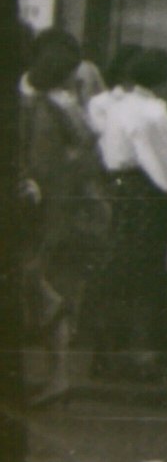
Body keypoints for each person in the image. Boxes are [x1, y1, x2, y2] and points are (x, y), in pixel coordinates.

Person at [87, 47, 167, 378]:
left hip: (115, 189)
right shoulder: (154, 113)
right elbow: (166, 167)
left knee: (114, 270)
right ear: (161, 80)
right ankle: (140, 355)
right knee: (146, 272)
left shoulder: (119, 107)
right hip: (144, 194)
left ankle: (106, 351)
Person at [21, 28, 105, 405]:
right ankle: (58, 375)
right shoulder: (68, 108)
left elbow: (42, 161)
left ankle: (55, 374)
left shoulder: (44, 106)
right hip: (70, 209)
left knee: (40, 282)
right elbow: (88, 159)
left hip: (47, 210)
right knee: (56, 284)